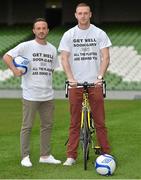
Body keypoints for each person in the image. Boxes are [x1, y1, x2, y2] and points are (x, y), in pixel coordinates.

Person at [58, 3, 112, 166]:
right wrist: (70, 78)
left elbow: (106, 57)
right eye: (80, 13)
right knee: (74, 122)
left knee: (100, 122)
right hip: (76, 84)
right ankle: (71, 156)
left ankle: (106, 154)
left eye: (85, 13)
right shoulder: (69, 34)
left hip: (95, 83)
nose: (82, 16)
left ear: (90, 15)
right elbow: (64, 58)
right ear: (75, 15)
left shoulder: (99, 33)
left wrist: (100, 76)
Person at [3, 18, 61, 167]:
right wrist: (15, 70)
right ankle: (25, 156)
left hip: (48, 95)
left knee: (47, 126)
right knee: (27, 126)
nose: (41, 31)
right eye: (38, 28)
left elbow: (52, 69)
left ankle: (45, 155)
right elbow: (7, 56)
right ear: (34, 31)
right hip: (30, 94)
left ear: (47, 30)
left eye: (44, 28)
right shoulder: (26, 46)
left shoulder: (53, 49)